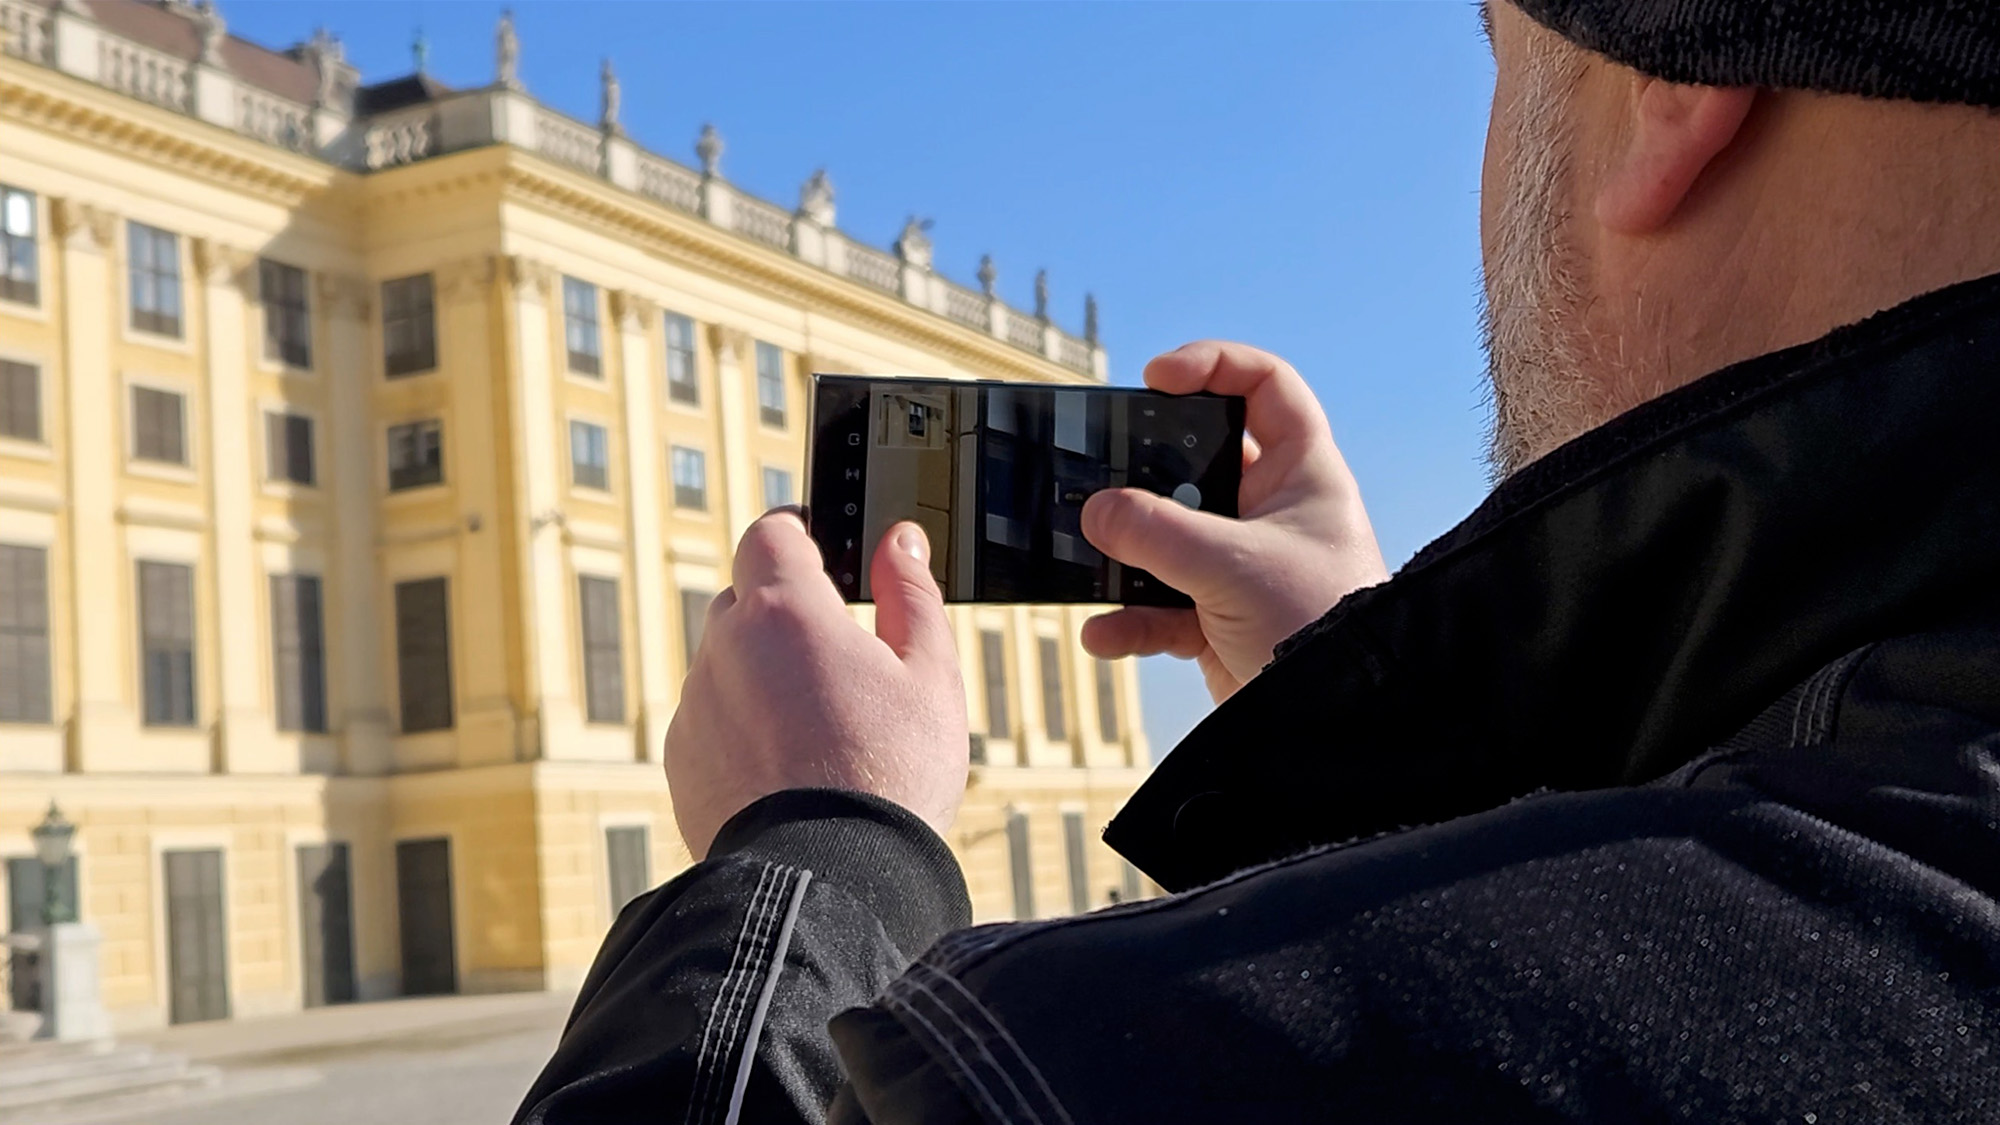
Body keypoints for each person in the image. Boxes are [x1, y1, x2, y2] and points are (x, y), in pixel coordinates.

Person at [516, 1, 2000, 1121]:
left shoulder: (1108, 1064)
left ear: (1675, 89)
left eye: (1502, 53)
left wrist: (817, 853)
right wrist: (1381, 719)